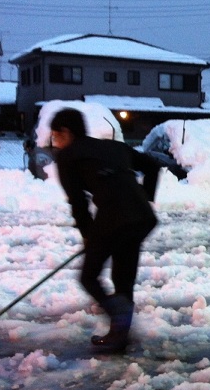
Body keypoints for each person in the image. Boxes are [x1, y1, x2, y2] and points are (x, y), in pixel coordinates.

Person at [50, 108, 160, 351]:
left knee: (89, 276)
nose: (55, 141)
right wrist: (145, 197)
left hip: (114, 217)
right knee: (123, 278)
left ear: (66, 132)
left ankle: (118, 317)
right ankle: (120, 335)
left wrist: (89, 235)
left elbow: (78, 203)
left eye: (55, 136)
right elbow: (152, 165)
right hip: (142, 217)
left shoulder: (68, 156)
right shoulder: (113, 147)